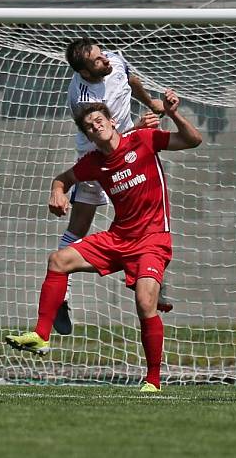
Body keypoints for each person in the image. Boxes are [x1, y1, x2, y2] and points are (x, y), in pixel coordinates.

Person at [5, 94, 202, 393]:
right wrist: (57, 192)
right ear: (87, 136)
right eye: (89, 127)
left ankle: (153, 380)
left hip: (152, 239)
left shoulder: (144, 139)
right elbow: (64, 178)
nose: (96, 127)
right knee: (58, 260)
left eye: (99, 121)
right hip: (118, 237)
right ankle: (41, 335)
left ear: (112, 122)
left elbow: (193, 140)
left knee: (144, 303)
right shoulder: (94, 163)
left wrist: (174, 114)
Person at [55, 37, 172, 336]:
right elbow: (106, 137)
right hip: (99, 159)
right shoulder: (83, 97)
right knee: (79, 226)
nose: (105, 60)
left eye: (102, 54)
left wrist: (150, 103)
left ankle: (152, 283)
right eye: (97, 61)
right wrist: (138, 129)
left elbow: (130, 78)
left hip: (126, 145)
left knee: (147, 216)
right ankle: (61, 296)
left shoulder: (113, 60)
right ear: (85, 72)